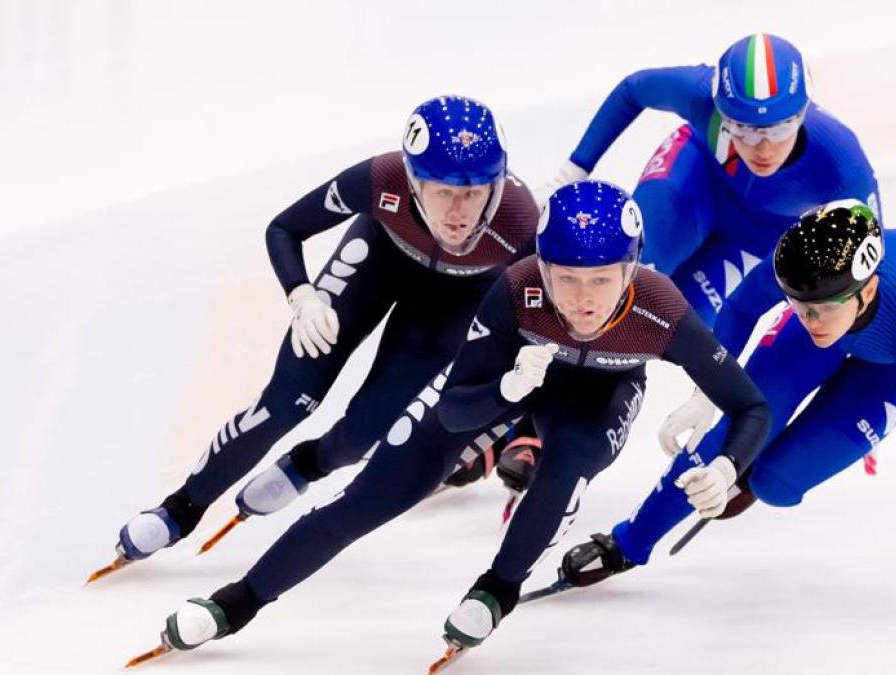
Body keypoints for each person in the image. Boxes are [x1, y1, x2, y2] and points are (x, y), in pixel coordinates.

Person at [142, 180, 771, 661]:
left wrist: (726, 463)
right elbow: (454, 409)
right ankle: (239, 602)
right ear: (541, 269)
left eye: (602, 281)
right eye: (565, 279)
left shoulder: (661, 310)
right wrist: (506, 387)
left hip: (596, 398)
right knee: (372, 494)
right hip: (512, 376)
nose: (582, 299)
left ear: (631, 272)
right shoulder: (516, 290)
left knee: (569, 460)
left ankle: (498, 586)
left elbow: (750, 406)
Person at [95, 95, 539, 577]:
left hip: (454, 301)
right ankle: (179, 509)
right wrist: (301, 294)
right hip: (378, 263)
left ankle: (306, 466)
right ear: (411, 181)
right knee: (285, 404)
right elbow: (284, 228)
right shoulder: (378, 180)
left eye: (474, 194)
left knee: (366, 432)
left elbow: (538, 325)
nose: (458, 212)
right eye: (441, 191)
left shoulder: (521, 223)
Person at [558, 200, 896, 611]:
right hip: (855, 319)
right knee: (736, 429)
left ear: (866, 292)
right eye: (796, 305)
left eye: (819, 309)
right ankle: (630, 542)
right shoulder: (803, 270)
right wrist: (705, 393)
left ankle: (756, 474)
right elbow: (739, 309)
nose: (809, 320)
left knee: (777, 482)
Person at [500, 32, 881, 472]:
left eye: (777, 130)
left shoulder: (841, 161)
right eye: (740, 128)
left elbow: (865, 276)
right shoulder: (701, 94)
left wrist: (849, 385)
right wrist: (574, 168)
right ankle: (523, 418)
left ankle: (555, 416)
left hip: (752, 240)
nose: (761, 147)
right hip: (691, 183)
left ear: (802, 113)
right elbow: (633, 89)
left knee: (662, 323)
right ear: (721, 110)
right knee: (611, 280)